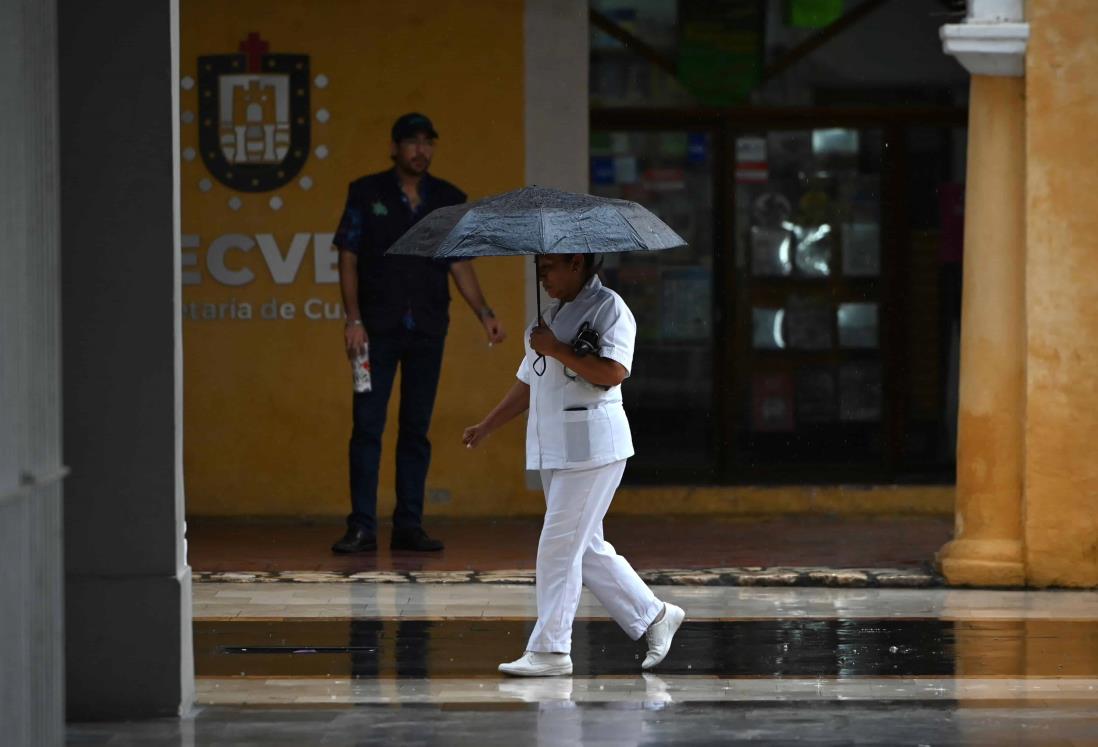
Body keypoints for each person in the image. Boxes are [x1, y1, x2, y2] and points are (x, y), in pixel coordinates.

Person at [462, 253, 685, 676]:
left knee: (559, 545)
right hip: (556, 448)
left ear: (577, 263)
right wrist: (487, 425)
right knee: (585, 547)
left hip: (593, 448)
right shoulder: (548, 318)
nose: (543, 276)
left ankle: (550, 650)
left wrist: (558, 349)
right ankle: (655, 616)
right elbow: (529, 381)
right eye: (540, 269)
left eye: (549, 268)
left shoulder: (610, 308)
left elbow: (614, 372)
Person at [331, 113, 505, 554]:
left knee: (416, 429)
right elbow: (348, 257)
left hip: (427, 327)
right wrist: (353, 321)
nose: (421, 150)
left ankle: (408, 525)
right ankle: (362, 526)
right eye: (412, 142)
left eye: (428, 142)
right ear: (395, 147)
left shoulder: (448, 200)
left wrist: (483, 312)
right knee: (368, 427)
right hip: (374, 330)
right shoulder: (366, 192)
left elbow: (460, 262)